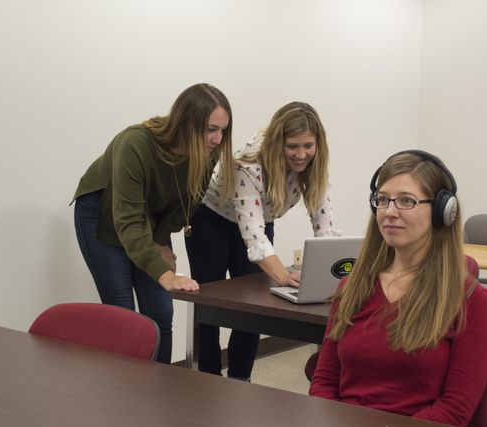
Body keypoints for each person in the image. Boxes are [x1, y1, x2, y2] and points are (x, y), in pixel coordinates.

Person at [309, 150, 487, 427]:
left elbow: (456, 408)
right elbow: (323, 382)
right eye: (382, 200)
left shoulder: (469, 299)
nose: (390, 212)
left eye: (406, 201)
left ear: (443, 211)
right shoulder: (352, 288)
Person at [72, 83, 234, 364]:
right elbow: (129, 220)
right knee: (123, 314)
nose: (218, 139)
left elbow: (187, 204)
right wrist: (167, 276)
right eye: (210, 129)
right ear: (185, 123)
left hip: (149, 220)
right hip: (103, 213)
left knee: (160, 312)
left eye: (223, 130)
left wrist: (159, 242)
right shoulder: (134, 143)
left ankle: (160, 390)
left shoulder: (209, 151)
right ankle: (126, 395)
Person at [185, 101, 339, 380]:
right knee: (209, 302)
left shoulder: (316, 165)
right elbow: (254, 235)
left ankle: (241, 378)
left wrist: (328, 272)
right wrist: (283, 275)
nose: (301, 154)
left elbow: (325, 226)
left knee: (254, 304)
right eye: (292, 146)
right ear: (278, 142)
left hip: (260, 220)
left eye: (308, 145)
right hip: (212, 221)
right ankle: (206, 378)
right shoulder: (248, 163)